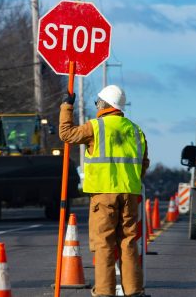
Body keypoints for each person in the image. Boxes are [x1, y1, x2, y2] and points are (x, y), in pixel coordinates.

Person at [59, 85, 150, 297]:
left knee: (104, 245)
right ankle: (134, 291)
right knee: (128, 244)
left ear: (102, 104)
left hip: (103, 195)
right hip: (129, 194)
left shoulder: (95, 127)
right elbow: (144, 163)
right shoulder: (136, 130)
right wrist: (131, 182)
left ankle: (104, 292)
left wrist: (66, 106)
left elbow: (66, 134)